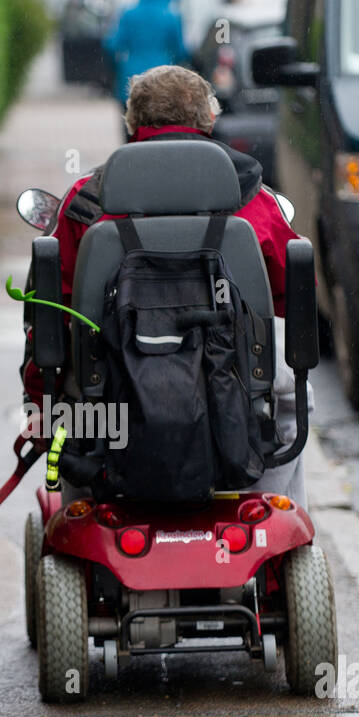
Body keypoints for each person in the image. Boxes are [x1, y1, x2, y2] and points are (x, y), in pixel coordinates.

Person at [26, 64, 315, 507]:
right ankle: (270, 514)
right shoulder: (256, 201)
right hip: (236, 397)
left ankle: (86, 521)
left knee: (71, 411)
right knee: (290, 398)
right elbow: (286, 299)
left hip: (112, 403)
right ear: (209, 119)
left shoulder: (84, 204)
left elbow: (54, 314)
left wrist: (39, 401)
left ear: (133, 122)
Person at [103, 0, 188, 108]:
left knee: (131, 120)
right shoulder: (171, 17)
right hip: (161, 77)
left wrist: (118, 67)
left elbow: (112, 45)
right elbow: (181, 51)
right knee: (161, 121)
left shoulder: (128, 14)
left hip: (131, 76)